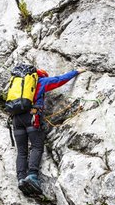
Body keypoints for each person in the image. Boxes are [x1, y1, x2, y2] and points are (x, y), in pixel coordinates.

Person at [12, 64, 81, 195]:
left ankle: (20, 178)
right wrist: (76, 71)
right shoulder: (41, 81)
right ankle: (32, 176)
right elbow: (60, 80)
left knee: (21, 151)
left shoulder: (19, 84)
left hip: (16, 119)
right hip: (31, 117)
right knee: (37, 146)